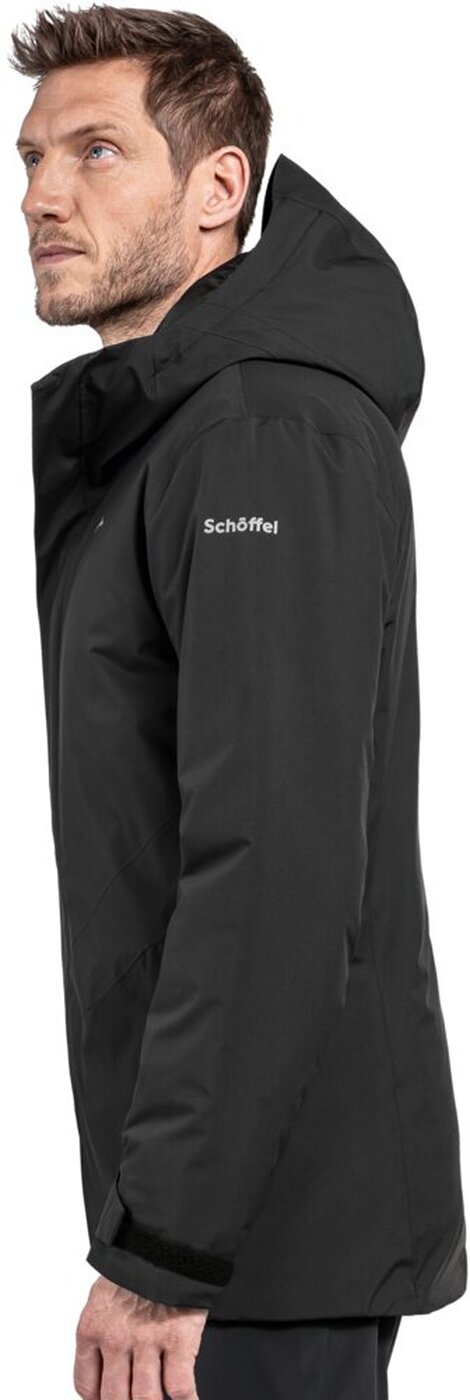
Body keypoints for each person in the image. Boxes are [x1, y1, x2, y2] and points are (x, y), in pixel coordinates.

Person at [10, 6, 467, 1399]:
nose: (41, 195)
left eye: (96, 151)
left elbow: (275, 860)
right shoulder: (172, 432)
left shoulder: (257, 434)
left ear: (218, 189)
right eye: (30, 158)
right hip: (236, 1231)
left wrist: (167, 1249)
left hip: (257, 1251)